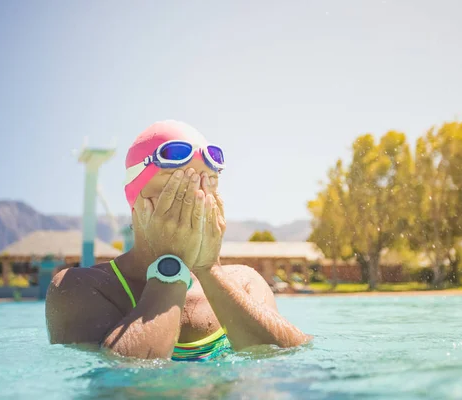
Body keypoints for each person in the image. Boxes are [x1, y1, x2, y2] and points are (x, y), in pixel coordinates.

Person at [45, 120, 311, 361]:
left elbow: (288, 360)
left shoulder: (245, 282)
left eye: (207, 183)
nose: (195, 196)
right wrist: (171, 267)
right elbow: (128, 387)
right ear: (136, 199)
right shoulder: (80, 288)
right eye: (177, 184)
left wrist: (210, 269)